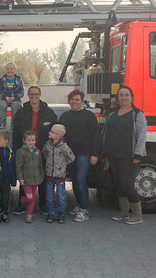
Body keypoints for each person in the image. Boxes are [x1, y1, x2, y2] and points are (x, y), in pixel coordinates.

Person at [103, 85, 147, 225]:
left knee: (127, 184)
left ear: (132, 98)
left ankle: (137, 214)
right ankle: (124, 211)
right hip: (112, 155)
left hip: (128, 155)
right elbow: (106, 132)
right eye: (121, 95)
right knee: (118, 183)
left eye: (126, 95)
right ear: (117, 98)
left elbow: (141, 136)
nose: (123, 97)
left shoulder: (137, 114)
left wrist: (138, 155)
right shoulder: (113, 113)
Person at [11, 86, 57, 215]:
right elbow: (16, 131)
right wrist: (16, 149)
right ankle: (22, 204)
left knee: (42, 176)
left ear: (40, 94)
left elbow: (55, 131)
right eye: (31, 94)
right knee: (24, 177)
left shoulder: (49, 112)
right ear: (28, 95)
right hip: (25, 150)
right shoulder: (21, 112)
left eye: (36, 94)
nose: (34, 96)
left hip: (43, 149)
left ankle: (43, 204)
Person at [58, 89, 102, 222]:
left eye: (77, 100)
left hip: (84, 154)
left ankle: (84, 210)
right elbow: (60, 135)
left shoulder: (89, 116)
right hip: (69, 155)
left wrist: (95, 154)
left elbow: (96, 136)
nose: (74, 102)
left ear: (82, 101)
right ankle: (79, 205)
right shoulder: (65, 116)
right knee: (75, 182)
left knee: (81, 181)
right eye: (72, 99)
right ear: (69, 101)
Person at [42, 124, 75, 224]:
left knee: (61, 195)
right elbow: (44, 153)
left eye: (52, 132)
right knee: (49, 196)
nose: (49, 133)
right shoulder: (47, 145)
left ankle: (61, 213)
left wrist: (62, 166)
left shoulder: (64, 147)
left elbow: (71, 158)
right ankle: (50, 213)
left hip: (60, 176)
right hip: (49, 175)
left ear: (58, 135)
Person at [15, 130, 44, 223]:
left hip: (36, 179)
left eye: (33, 140)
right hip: (26, 179)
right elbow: (18, 166)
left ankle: (29, 215)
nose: (31, 142)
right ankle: (22, 201)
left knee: (33, 197)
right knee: (30, 197)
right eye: (28, 140)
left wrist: (41, 176)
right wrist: (20, 178)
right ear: (24, 141)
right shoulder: (21, 151)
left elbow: (40, 165)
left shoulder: (38, 151)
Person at [0, 62, 24, 130]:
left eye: (11, 69)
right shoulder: (2, 80)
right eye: (7, 69)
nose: (9, 70)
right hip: (4, 99)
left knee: (16, 106)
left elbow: (22, 91)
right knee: (1, 105)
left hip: (16, 99)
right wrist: (5, 97)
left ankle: (14, 125)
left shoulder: (19, 79)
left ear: (15, 70)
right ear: (5, 70)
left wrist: (15, 97)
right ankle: (1, 124)